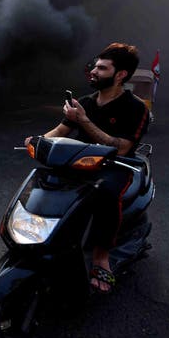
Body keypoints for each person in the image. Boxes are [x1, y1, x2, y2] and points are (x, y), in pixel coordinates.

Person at [25, 43, 149, 293]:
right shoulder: (84, 102)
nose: (93, 71)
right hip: (79, 162)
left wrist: (83, 120)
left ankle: (101, 257)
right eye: (94, 66)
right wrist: (38, 141)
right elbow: (60, 131)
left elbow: (122, 148)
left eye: (102, 68)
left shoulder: (136, 108)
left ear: (120, 75)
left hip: (114, 166)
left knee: (106, 192)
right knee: (43, 180)